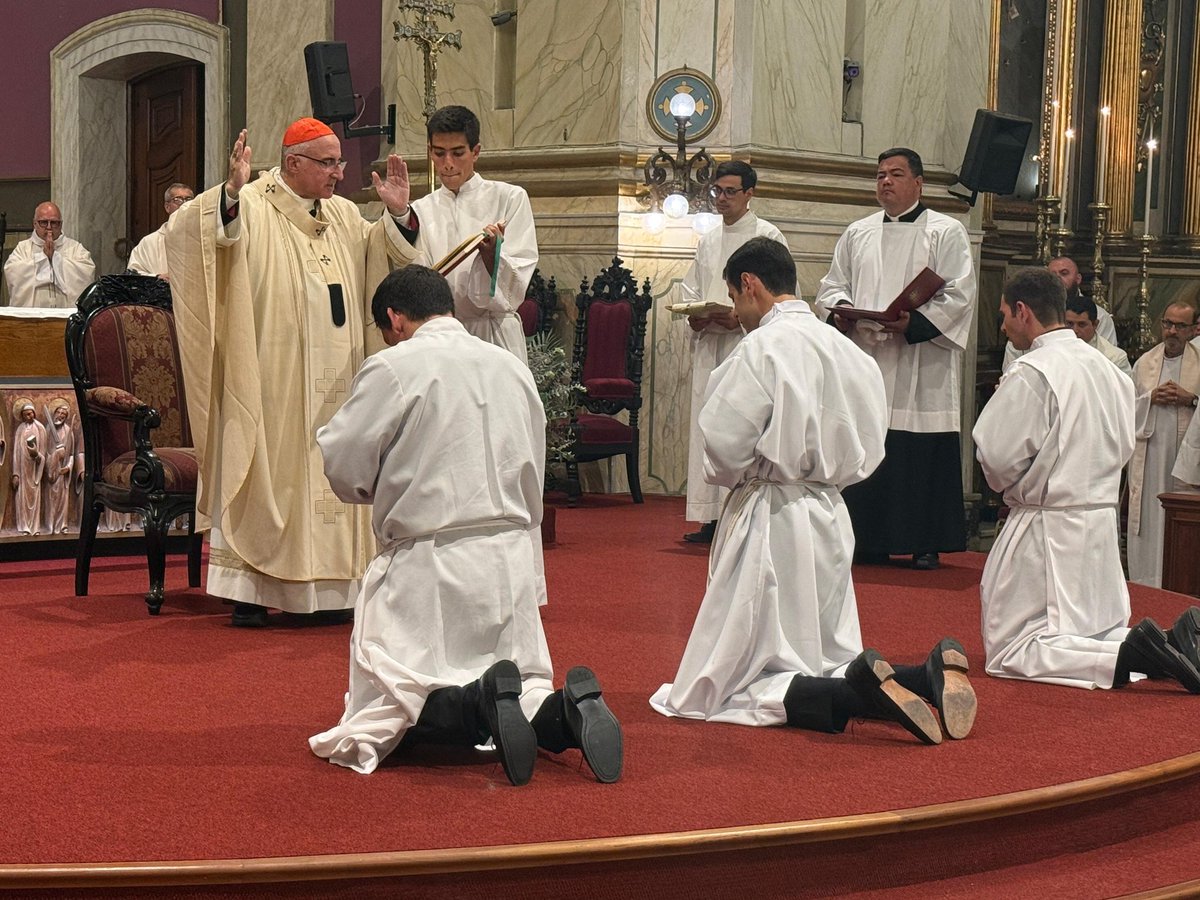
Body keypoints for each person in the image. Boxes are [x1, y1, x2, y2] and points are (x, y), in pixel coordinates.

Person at [651, 237, 977, 745]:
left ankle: (867, 699)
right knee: (826, 648)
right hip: (829, 508)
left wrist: (734, 474)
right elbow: (873, 442)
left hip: (770, 511)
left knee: (734, 679)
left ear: (750, 285)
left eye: (735, 298)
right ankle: (921, 675)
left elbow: (724, 440)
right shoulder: (847, 352)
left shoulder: (761, 347)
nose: (737, 312)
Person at [309, 265, 622, 784]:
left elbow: (345, 461)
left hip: (429, 560)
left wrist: (368, 487)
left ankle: (479, 706)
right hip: (507, 557)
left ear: (395, 318)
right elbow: (534, 457)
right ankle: (566, 714)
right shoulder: (508, 365)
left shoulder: (393, 367)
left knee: (393, 701)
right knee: (525, 684)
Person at [165, 118, 420, 627]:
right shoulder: (253, 205)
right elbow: (189, 236)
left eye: (340, 162)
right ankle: (254, 589)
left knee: (331, 472)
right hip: (270, 376)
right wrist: (229, 194)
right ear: (292, 164)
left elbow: (381, 260)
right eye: (328, 163)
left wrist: (398, 216)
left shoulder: (345, 215)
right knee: (271, 471)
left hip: (339, 378)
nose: (338, 174)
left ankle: (332, 590)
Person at [975, 268, 1200, 692]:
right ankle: (1170, 643)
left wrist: (1019, 485)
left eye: (1004, 313)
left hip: (1047, 525)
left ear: (1023, 311)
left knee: (1012, 647)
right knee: (1091, 629)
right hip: (1097, 524)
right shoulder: (1110, 369)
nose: (1002, 324)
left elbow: (997, 457)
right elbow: (1124, 443)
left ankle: (1132, 655)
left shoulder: (1034, 372)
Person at [814, 148, 976, 570]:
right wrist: (847, 310)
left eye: (896, 174)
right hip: (868, 354)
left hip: (921, 362)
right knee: (869, 441)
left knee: (919, 447)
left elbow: (959, 294)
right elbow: (831, 287)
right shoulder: (858, 232)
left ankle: (925, 541)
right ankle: (868, 538)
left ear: (919, 183)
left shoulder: (946, 231)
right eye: (881, 174)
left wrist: (915, 323)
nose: (885, 181)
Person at [678, 161, 787, 544]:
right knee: (710, 423)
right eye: (717, 192)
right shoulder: (708, 239)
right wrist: (693, 314)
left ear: (750, 193)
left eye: (730, 192)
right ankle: (709, 515)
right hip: (711, 346)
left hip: (748, 345)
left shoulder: (767, 237)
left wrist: (739, 320)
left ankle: (738, 510)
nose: (721, 199)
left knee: (741, 425)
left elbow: (780, 294)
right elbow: (691, 289)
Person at [401, 105, 537, 363]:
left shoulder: (510, 198)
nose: (448, 164)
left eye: (458, 153)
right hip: (440, 339)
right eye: (439, 153)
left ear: (476, 152)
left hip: (493, 333)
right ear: (430, 151)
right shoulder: (420, 209)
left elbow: (516, 283)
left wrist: (491, 258)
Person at [1127, 301, 1200, 588]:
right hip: (1150, 458)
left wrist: (1191, 399)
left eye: (1180, 326)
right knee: (1150, 522)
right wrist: (1150, 399)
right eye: (1167, 323)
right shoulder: (1145, 364)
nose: (1171, 331)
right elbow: (1125, 410)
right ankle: (1148, 587)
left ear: (1194, 329)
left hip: (1187, 463)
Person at [3, 203, 96, 308]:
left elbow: (86, 274)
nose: (49, 227)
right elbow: (13, 273)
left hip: (66, 318)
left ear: (60, 224)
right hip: (33, 319)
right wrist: (43, 258)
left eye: (54, 223)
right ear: (34, 224)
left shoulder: (75, 248)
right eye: (43, 222)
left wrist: (55, 259)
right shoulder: (23, 249)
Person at [128, 183, 195, 280]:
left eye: (189, 200)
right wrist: (157, 277)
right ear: (167, 207)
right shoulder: (149, 242)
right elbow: (133, 274)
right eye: (178, 200)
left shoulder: (201, 238)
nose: (184, 204)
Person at [11, 402, 46, 535]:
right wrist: (15, 474)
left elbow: (43, 455)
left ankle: (35, 527)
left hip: (34, 469)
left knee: (34, 498)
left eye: (30, 413)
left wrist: (36, 454)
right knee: (22, 498)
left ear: (34, 413)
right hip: (22, 469)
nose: (28, 416)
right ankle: (24, 526)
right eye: (25, 415)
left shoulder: (40, 428)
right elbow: (15, 452)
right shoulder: (20, 429)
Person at [45, 401, 75, 534]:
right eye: (59, 412)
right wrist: (55, 457)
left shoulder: (69, 431)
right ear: (54, 413)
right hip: (52, 469)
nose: (61, 415)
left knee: (63, 500)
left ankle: (62, 525)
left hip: (63, 472)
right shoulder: (48, 429)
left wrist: (68, 467)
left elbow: (72, 454)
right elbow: (44, 451)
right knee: (51, 499)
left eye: (64, 414)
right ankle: (50, 525)